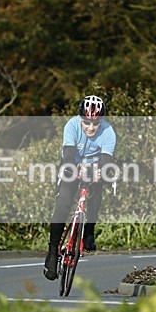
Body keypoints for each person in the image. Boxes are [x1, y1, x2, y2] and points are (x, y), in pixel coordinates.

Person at [43, 95, 116, 280]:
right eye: (86, 123)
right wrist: (74, 169)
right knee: (63, 205)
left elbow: (107, 160)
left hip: (94, 167)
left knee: (97, 189)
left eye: (95, 124)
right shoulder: (72, 125)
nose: (90, 128)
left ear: (101, 121)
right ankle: (52, 251)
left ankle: (89, 231)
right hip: (71, 165)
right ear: (80, 119)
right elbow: (68, 154)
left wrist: (100, 172)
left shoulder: (108, 131)